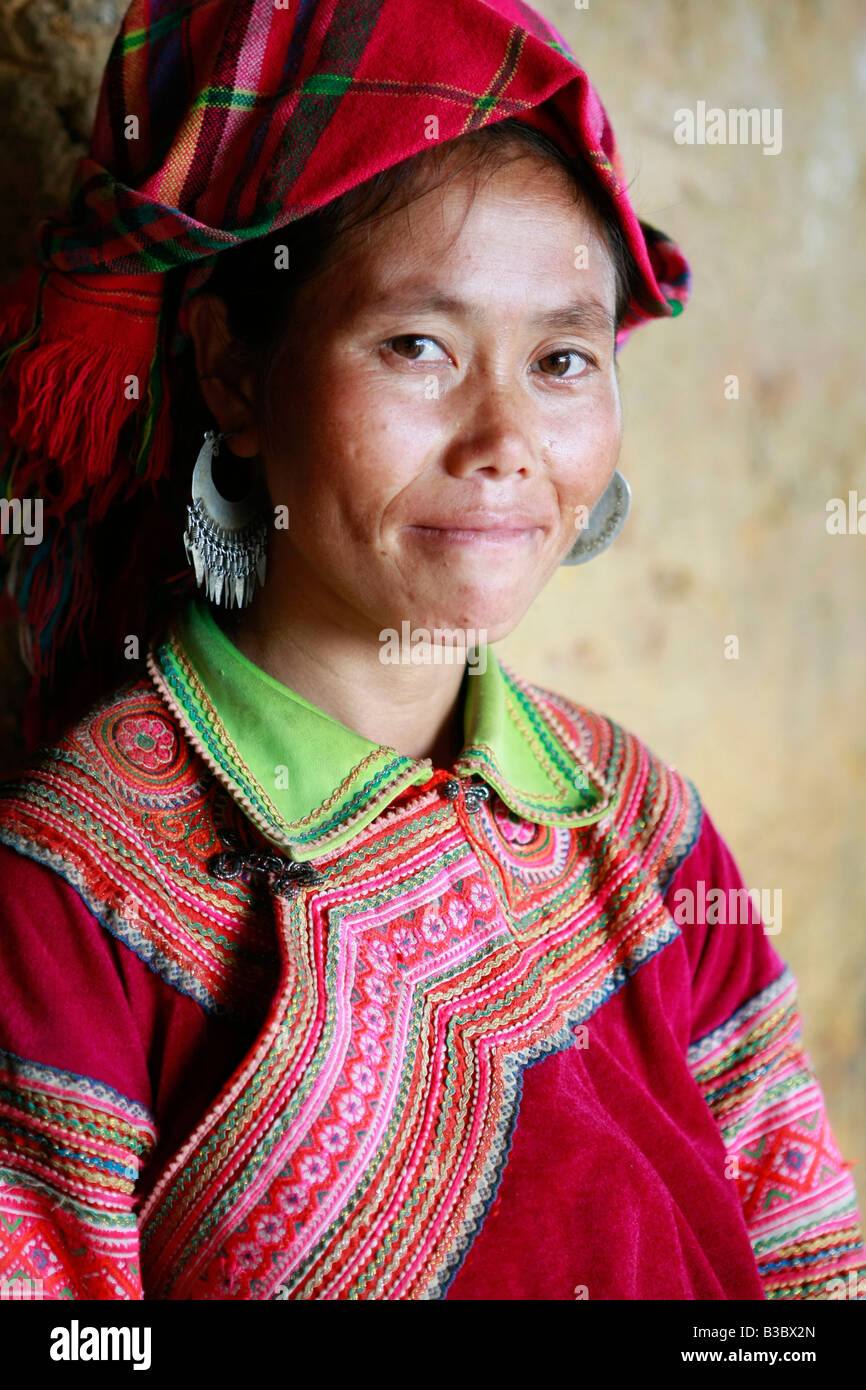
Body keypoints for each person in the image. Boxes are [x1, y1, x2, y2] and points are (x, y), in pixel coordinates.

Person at [0, 0, 861, 1302]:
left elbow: (806, 1263)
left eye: (562, 357)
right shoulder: (80, 885)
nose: (504, 434)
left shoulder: (639, 823)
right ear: (234, 371)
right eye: (417, 345)